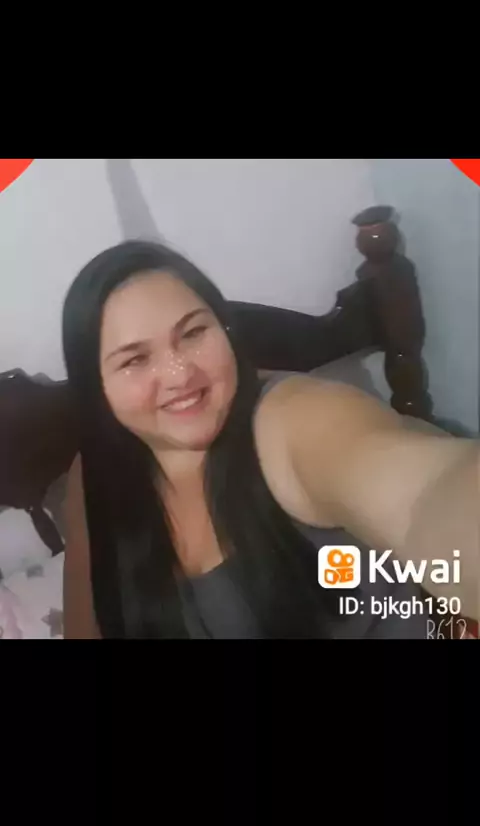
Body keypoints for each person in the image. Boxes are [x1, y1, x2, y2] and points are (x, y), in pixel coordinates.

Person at [62, 240, 479, 639]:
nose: (179, 374)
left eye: (193, 333)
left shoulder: (291, 418)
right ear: (95, 386)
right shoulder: (94, 476)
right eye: (135, 359)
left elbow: (423, 492)